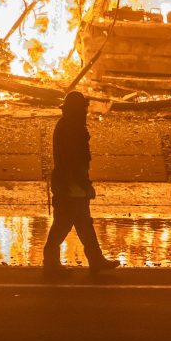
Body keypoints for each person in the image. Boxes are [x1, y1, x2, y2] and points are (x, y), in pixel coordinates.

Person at [42, 90, 119, 274]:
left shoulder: (67, 126)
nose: (85, 113)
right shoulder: (72, 130)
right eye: (83, 110)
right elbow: (73, 162)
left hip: (70, 186)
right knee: (64, 224)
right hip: (70, 188)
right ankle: (52, 261)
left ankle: (95, 259)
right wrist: (85, 185)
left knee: (82, 224)